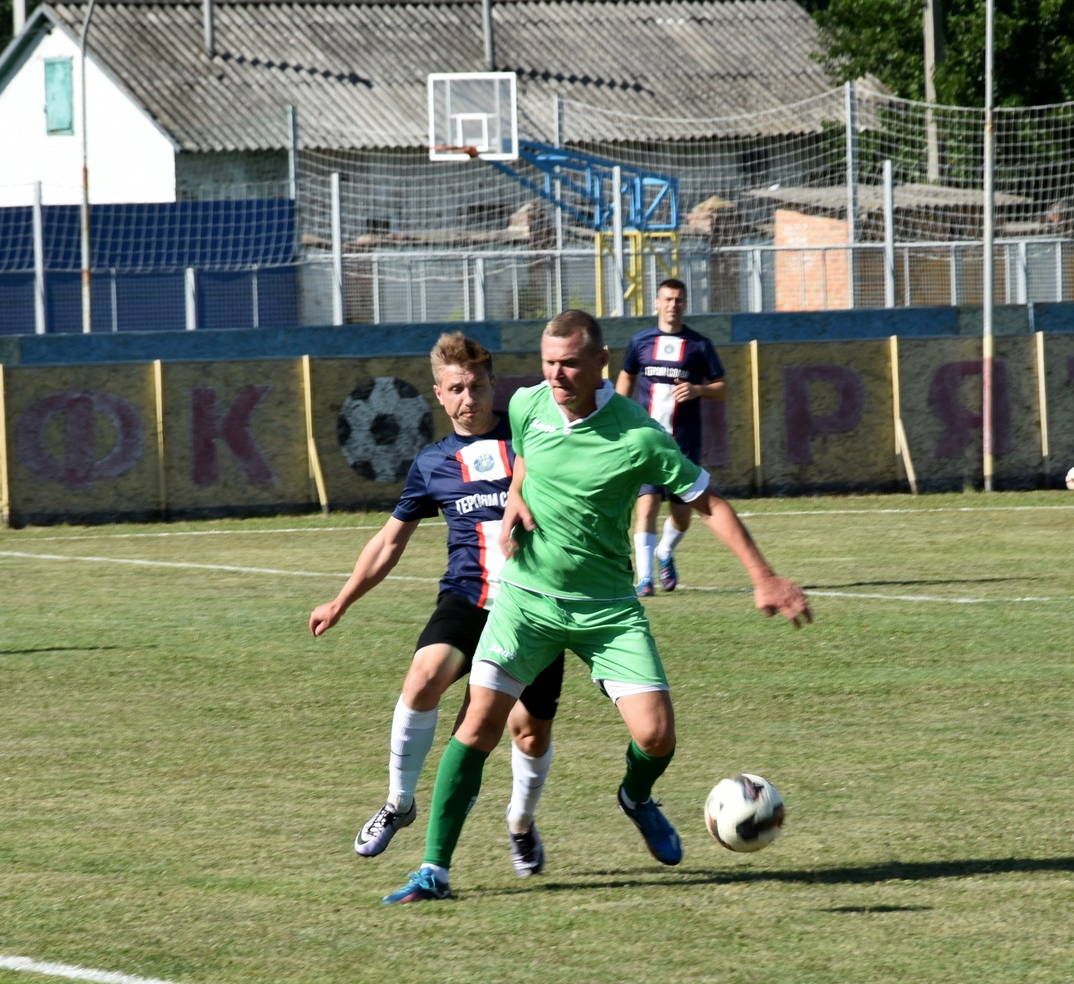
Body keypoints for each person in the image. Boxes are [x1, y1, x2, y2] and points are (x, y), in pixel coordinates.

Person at [382, 309, 809, 905]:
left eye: (570, 363)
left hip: (606, 609)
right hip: (526, 602)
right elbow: (526, 457)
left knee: (656, 736)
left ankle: (636, 797)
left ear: (601, 363)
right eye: (549, 363)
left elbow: (708, 502)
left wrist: (764, 577)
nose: (557, 375)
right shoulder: (528, 404)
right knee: (479, 724)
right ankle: (434, 870)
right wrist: (516, 497)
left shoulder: (638, 435)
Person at [311, 332, 566, 879]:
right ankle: (398, 802)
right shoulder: (432, 463)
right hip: (468, 599)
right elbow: (389, 541)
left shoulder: (531, 440)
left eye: (476, 387)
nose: (468, 399)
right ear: (439, 394)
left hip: (534, 607)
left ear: (494, 384)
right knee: (423, 676)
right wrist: (342, 600)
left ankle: (520, 822)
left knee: (529, 732)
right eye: (456, 389)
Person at [616, 278, 726, 597]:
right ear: (657, 302)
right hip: (646, 440)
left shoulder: (699, 345)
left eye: (678, 300)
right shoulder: (640, 342)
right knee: (646, 506)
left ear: (685, 304)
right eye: (667, 299)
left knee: (682, 515)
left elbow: (722, 387)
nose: (672, 305)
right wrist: (617, 416)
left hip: (684, 441)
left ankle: (665, 551)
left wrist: (699, 389)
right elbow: (626, 376)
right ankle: (645, 579)